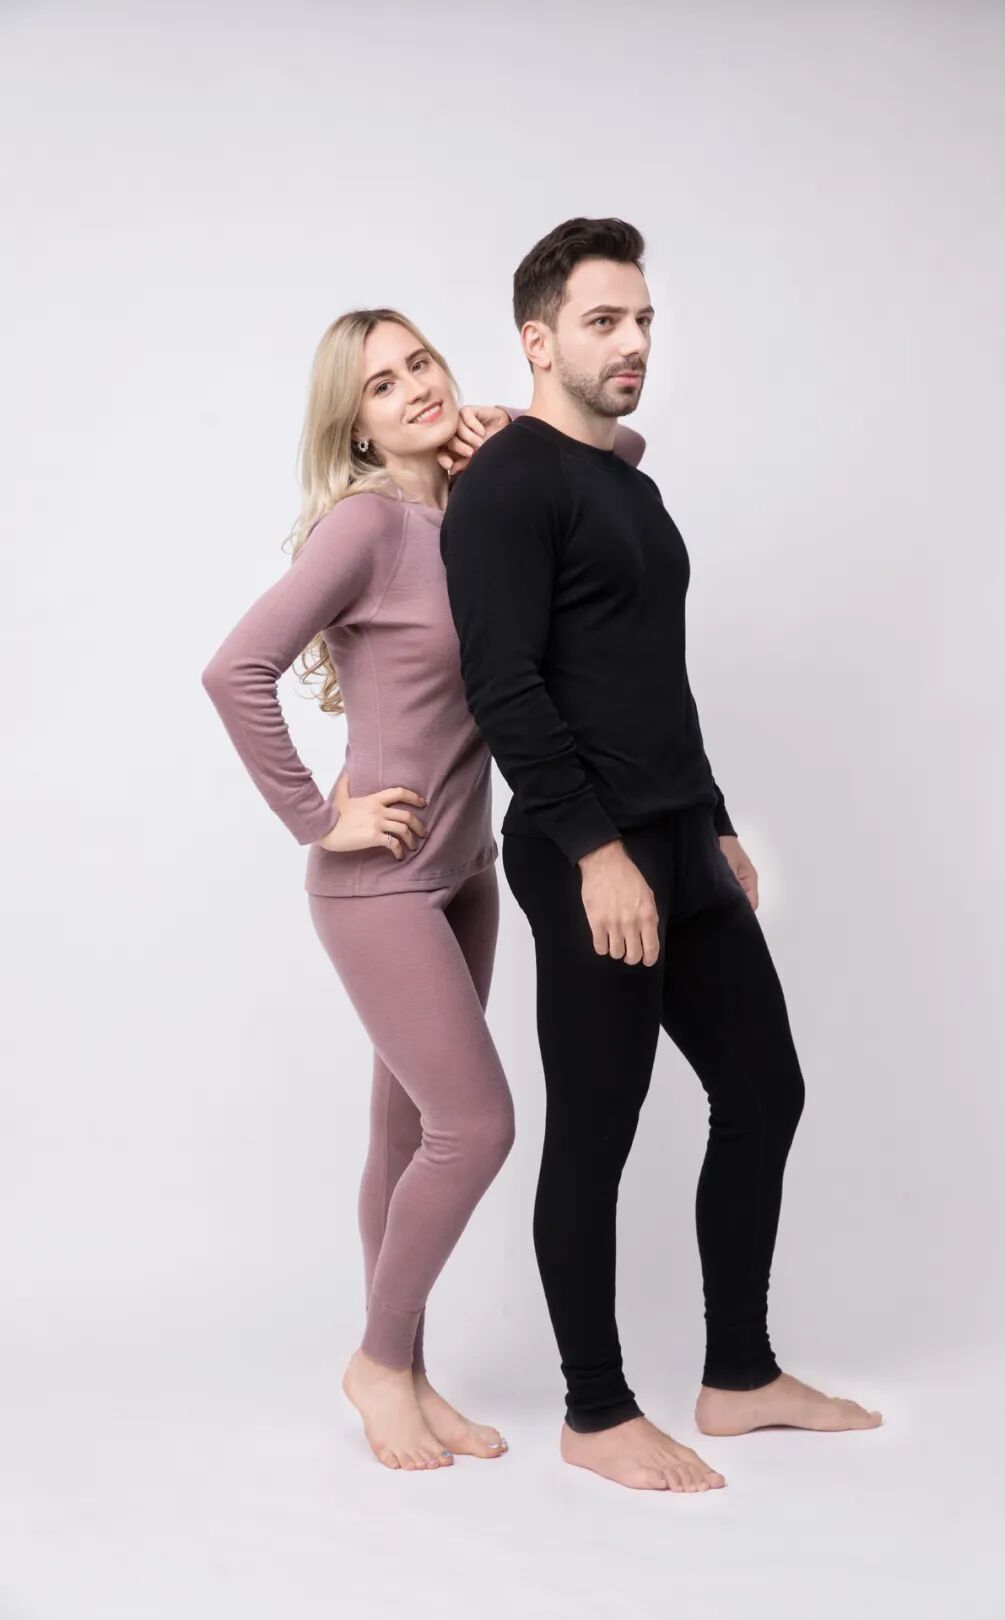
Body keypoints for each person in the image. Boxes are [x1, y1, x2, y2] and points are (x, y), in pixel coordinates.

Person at [440, 218, 882, 1495]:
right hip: (589, 850)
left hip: (680, 833)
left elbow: (649, 677)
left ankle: (739, 1375)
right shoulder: (507, 487)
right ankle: (595, 1411)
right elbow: (505, 685)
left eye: (642, 320)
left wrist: (714, 819)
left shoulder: (629, 488)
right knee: (597, 1128)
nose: (634, 342)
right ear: (537, 341)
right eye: (604, 321)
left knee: (766, 1091)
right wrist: (597, 851)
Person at [201, 306, 644, 1474]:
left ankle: (405, 1371)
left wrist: (505, 438)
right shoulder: (365, 527)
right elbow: (234, 669)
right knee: (477, 1126)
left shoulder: (481, 504)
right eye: (382, 385)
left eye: (421, 364)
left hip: (467, 874)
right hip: (380, 887)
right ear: (354, 424)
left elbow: (620, 463)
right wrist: (319, 818)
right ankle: (378, 1364)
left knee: (406, 1132)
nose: (413, 389)